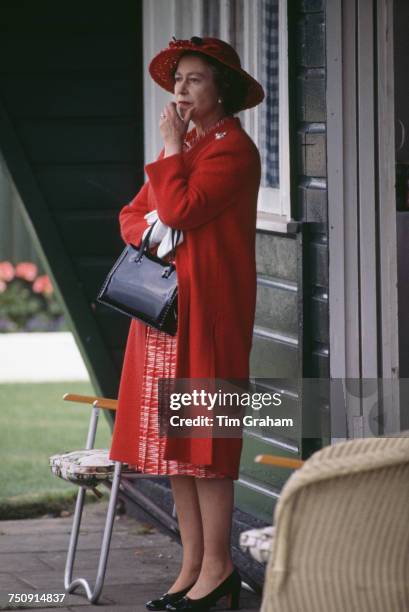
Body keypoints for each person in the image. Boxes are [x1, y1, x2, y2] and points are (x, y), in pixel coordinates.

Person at [109, 36, 264, 611]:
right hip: (164, 317)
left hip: (209, 317)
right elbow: (132, 217)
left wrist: (170, 155)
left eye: (194, 78)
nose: (180, 89)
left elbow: (175, 211)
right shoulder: (191, 147)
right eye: (178, 79)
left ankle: (220, 568)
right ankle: (193, 566)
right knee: (174, 449)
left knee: (206, 446)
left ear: (220, 89)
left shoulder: (231, 151)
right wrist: (156, 214)